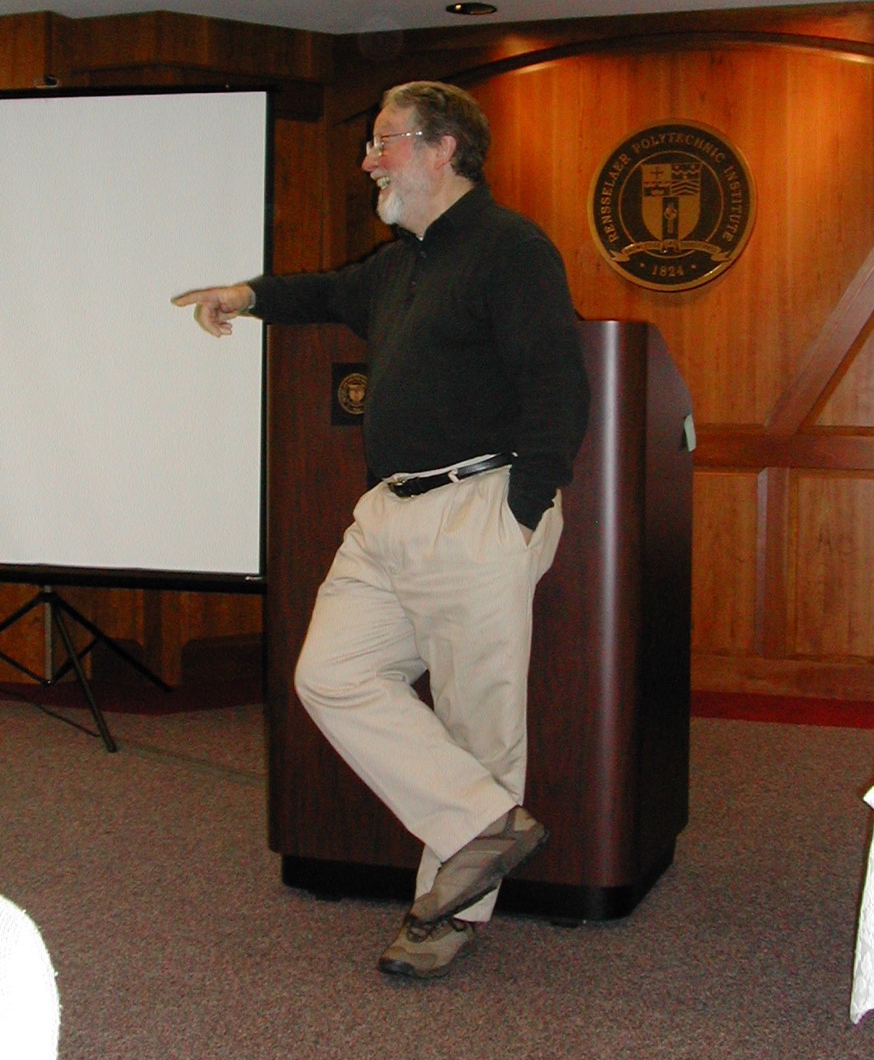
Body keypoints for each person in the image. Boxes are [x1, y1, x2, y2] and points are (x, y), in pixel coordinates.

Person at [174, 80, 589, 979]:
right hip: (388, 512)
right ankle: (485, 825)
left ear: (443, 150)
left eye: (384, 141)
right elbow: (325, 291)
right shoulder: (400, 263)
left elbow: (561, 388)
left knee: (481, 724)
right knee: (330, 674)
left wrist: (522, 510)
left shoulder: (511, 250)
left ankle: (448, 916)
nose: (369, 160)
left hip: (481, 505)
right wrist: (245, 295)